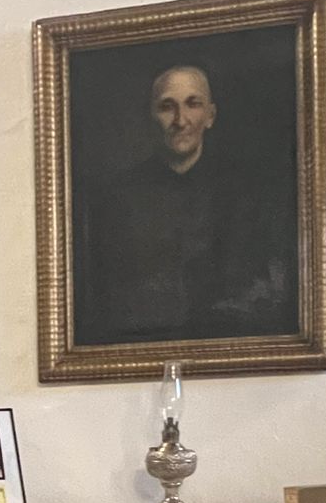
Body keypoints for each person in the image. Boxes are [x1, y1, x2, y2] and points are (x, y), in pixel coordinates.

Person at [75, 63, 297, 346]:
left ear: (210, 116)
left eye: (193, 104)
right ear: (151, 116)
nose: (180, 120)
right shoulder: (116, 199)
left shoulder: (246, 194)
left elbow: (265, 289)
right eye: (167, 107)